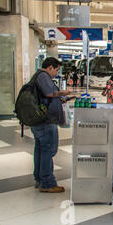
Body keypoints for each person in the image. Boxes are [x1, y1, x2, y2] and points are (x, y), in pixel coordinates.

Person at [32, 57, 71, 193]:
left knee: (41, 150)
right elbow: (49, 93)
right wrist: (63, 93)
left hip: (41, 121)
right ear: (50, 67)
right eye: (56, 70)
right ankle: (47, 183)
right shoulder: (43, 76)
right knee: (48, 150)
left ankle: (40, 179)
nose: (56, 73)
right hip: (45, 121)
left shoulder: (38, 76)